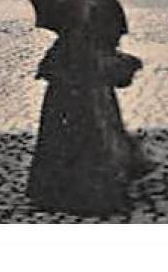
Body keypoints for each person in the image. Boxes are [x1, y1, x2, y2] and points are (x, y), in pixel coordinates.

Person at [26, 26, 147, 215]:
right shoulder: (98, 25)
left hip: (64, 96)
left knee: (62, 142)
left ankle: (56, 191)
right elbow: (105, 66)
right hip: (90, 97)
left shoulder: (69, 30)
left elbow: (51, 66)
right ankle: (90, 194)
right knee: (95, 142)